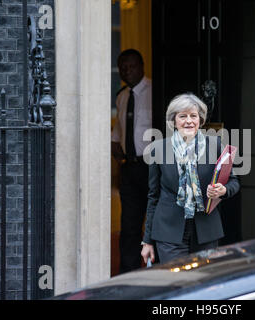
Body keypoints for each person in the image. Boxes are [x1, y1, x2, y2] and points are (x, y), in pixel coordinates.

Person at [141, 93, 240, 264]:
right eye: (183, 116)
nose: (189, 121)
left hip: (206, 230)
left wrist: (223, 191)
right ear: (174, 121)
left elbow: (233, 182)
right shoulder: (158, 149)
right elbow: (153, 196)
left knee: (203, 282)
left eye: (193, 116)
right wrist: (147, 240)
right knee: (178, 282)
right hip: (168, 232)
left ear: (200, 120)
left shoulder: (215, 145)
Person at [111, 49, 152, 273]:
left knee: (155, 225)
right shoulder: (122, 96)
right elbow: (117, 134)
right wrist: (120, 159)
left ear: (142, 66)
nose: (127, 71)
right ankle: (128, 273)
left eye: (131, 66)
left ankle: (158, 273)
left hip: (152, 168)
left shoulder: (155, 90)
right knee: (129, 226)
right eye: (123, 67)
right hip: (130, 168)